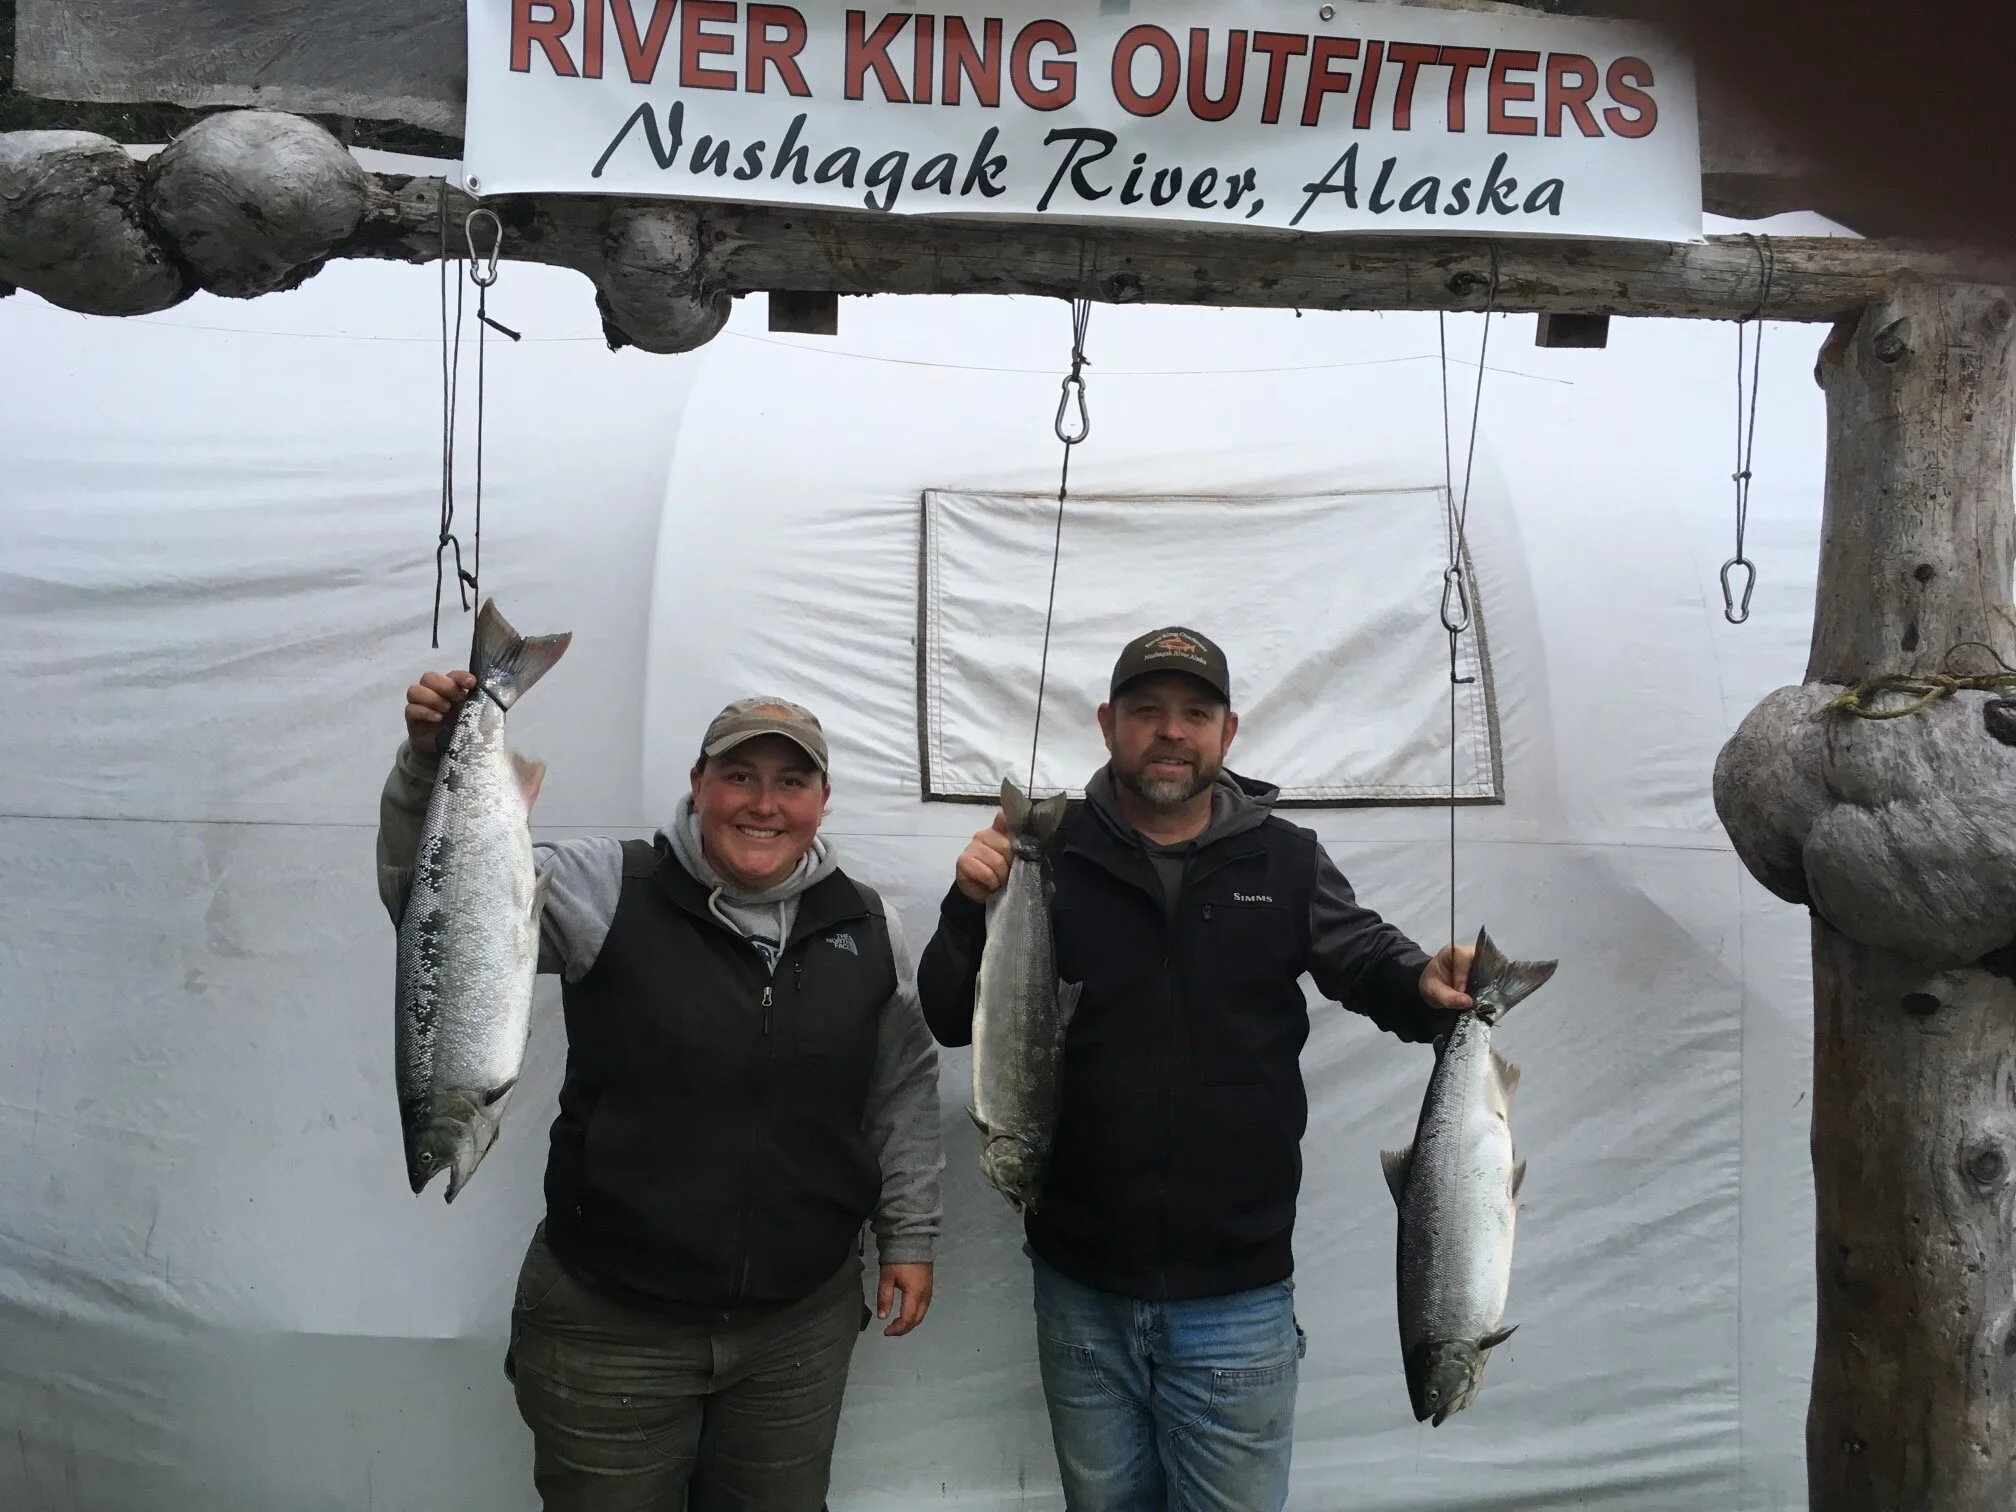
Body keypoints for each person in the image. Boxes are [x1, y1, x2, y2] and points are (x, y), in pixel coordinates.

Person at [917, 626, 1476, 1512]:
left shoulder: (1284, 860)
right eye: (1146, 712)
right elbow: (953, 1019)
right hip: (1080, 1287)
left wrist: (1424, 982)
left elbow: (1367, 961)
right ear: (1107, 725)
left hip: (1239, 1294)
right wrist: (964, 905)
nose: (1170, 732)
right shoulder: (1048, 852)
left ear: (1229, 731)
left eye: (1194, 713)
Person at [377, 680, 944, 1512]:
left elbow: (901, 1086)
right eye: (738, 775)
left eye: (791, 782)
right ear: (698, 783)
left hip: (799, 1328)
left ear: (823, 799)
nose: (763, 803)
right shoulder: (604, 886)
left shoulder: (867, 924)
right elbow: (432, 908)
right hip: (610, 1328)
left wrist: (911, 1234)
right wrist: (429, 769)